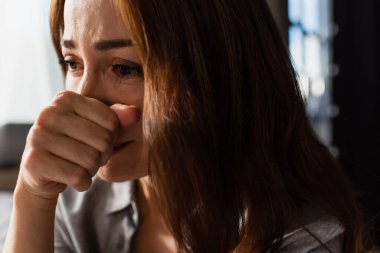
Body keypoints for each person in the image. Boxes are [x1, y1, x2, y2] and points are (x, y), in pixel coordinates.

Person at [2, 0, 374, 252]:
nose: (83, 101)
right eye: (73, 62)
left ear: (213, 76)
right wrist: (32, 197)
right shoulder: (79, 201)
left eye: (125, 68)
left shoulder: (304, 236)